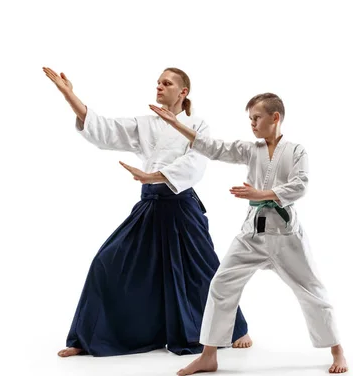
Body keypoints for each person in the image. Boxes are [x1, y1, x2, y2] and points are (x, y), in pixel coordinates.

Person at [42, 66, 251, 357]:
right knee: (106, 263)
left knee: (203, 270)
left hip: (181, 206)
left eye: (167, 83)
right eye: (158, 82)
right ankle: (88, 337)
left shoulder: (197, 125)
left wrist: (155, 176)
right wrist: (69, 95)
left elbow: (197, 162)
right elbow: (105, 129)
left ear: (183, 92)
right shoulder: (146, 124)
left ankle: (236, 329)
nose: (159, 87)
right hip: (150, 205)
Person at [149, 93, 349, 374]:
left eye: (257, 118)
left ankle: (337, 351)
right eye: (250, 119)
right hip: (251, 235)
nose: (252, 124)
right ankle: (209, 355)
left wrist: (262, 193)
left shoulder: (296, 151)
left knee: (312, 291)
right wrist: (177, 124)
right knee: (220, 285)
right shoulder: (250, 150)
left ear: (275, 117)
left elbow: (300, 185)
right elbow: (214, 148)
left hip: (285, 236)